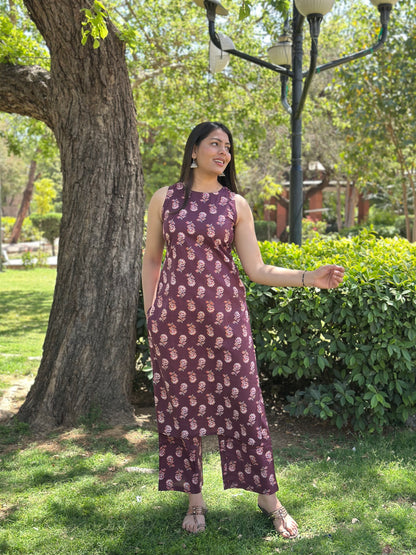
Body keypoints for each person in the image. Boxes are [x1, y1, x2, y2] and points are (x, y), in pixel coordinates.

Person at [141, 121, 345, 537]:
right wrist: (152, 313)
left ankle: (268, 496)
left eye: (228, 147)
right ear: (194, 150)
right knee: (183, 407)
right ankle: (195, 499)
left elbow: (257, 269)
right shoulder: (165, 199)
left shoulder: (236, 204)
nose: (223, 152)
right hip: (174, 324)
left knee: (244, 403)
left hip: (226, 320)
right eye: (214, 144)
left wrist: (309, 277)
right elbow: (151, 260)